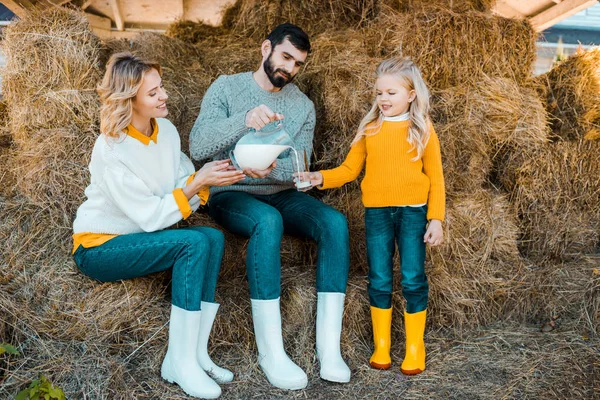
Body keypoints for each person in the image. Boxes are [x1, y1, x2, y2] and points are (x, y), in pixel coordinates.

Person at [71, 52, 245, 399]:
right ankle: (179, 362)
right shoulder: (111, 148)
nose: (164, 95)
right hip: (100, 246)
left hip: (139, 235)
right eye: (153, 93)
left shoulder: (165, 130)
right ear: (128, 100)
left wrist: (224, 173)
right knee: (192, 243)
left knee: (210, 236)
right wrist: (196, 184)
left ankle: (195, 354)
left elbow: (183, 181)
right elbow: (151, 217)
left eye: (161, 87)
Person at [189, 23, 351, 389]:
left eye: (298, 63)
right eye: (285, 57)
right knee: (267, 221)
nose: (290, 69)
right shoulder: (226, 87)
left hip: (279, 189)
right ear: (266, 48)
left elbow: (299, 166)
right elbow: (198, 145)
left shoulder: (303, 106)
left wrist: (271, 168)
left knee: (335, 223)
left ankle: (330, 349)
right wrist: (243, 122)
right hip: (231, 190)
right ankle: (272, 353)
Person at [298, 57, 445, 375]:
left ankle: (414, 348)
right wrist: (318, 178)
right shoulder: (370, 128)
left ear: (411, 95)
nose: (383, 99)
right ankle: (382, 346)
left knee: (412, 279)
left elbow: (436, 177)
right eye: (379, 93)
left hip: (413, 214)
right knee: (379, 279)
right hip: (377, 214)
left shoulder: (422, 129)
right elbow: (349, 170)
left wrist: (436, 218)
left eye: (391, 93)